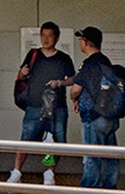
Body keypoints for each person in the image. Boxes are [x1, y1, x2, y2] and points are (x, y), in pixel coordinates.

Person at [8, 22, 75, 185]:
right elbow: (21, 75)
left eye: (50, 35)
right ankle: (16, 172)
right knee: (25, 139)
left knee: (56, 141)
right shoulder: (33, 54)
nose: (45, 39)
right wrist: (22, 73)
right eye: (43, 35)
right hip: (34, 105)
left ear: (57, 38)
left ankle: (49, 172)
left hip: (57, 106)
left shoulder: (64, 58)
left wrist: (59, 83)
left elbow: (73, 79)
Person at [67, 25, 118, 194]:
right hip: (110, 116)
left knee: (91, 155)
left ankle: (89, 191)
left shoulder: (88, 64)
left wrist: (74, 98)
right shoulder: (106, 61)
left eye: (81, 40)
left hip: (92, 116)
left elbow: (75, 89)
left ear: (86, 43)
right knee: (110, 155)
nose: (80, 43)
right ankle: (109, 190)